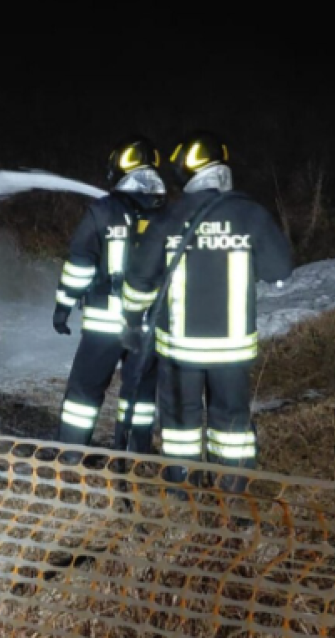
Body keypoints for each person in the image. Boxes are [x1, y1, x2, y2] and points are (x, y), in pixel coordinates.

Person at [122, 132, 292, 482]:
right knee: (231, 421)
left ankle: (183, 484)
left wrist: (132, 319)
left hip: (180, 350)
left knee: (181, 421)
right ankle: (232, 486)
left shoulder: (170, 217)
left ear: (186, 168)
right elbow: (280, 272)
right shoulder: (250, 215)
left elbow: (138, 280)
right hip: (232, 348)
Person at [53, 136, 166, 449]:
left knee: (85, 391)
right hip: (150, 323)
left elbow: (79, 262)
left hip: (106, 321)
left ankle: (72, 451)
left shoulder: (103, 211)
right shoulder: (167, 213)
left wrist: (63, 306)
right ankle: (135, 452)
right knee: (140, 393)